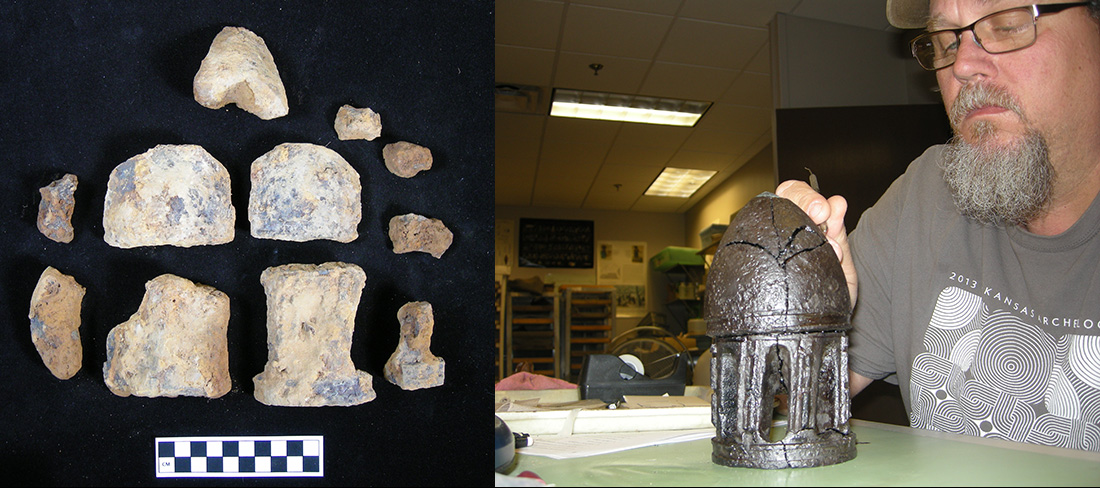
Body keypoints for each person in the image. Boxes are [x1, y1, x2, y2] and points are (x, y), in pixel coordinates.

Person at [776, 0, 1100, 451]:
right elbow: (789, 407)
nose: (963, 65)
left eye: (1006, 26)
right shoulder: (926, 194)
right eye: (947, 40)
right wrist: (798, 317)